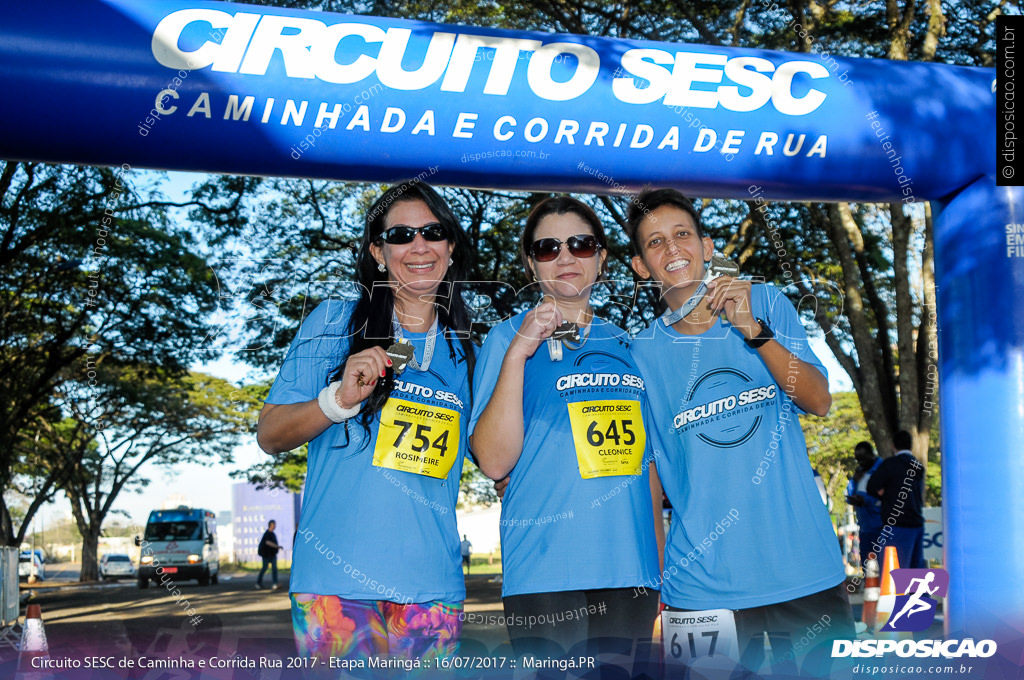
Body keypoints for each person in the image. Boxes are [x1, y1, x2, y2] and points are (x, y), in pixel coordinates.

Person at [625, 188, 855, 672]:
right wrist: (657, 577)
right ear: (640, 265)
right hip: (701, 587)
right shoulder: (638, 354)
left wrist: (755, 331)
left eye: (682, 235)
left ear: (707, 247)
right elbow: (648, 474)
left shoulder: (765, 301)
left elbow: (818, 399)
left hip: (805, 571)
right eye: (655, 242)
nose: (672, 250)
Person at [257, 181, 476, 664]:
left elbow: (494, 453)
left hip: (431, 589)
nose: (418, 246)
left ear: (450, 246)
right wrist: (336, 401)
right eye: (400, 235)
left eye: (432, 232)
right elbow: (270, 434)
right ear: (378, 251)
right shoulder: (334, 322)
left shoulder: (468, 351)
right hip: (336, 586)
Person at [470, 196, 662, 662]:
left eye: (580, 244)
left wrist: (659, 565)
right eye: (547, 248)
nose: (565, 257)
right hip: (544, 569)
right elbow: (494, 461)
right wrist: (519, 353)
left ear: (601, 258)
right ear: (530, 264)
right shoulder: (504, 338)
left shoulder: (628, 343)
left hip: (631, 570)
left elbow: (648, 466)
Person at [867, 430, 926, 569]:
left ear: (894, 446)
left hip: (896, 523)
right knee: (916, 569)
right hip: (916, 522)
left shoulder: (890, 464)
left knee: (895, 571)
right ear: (911, 446)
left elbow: (871, 486)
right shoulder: (918, 466)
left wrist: (884, 493)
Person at [845, 441, 883, 566]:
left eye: (863, 459)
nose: (860, 463)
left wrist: (866, 501)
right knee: (868, 566)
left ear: (871, 455)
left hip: (880, 528)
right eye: (858, 460)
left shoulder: (881, 469)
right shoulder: (860, 472)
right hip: (865, 528)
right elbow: (849, 496)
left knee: (882, 564)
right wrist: (854, 481)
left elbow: (885, 498)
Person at [256, 519, 282, 590]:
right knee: (264, 568)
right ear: (271, 525)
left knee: (274, 569)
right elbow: (268, 542)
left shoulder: (273, 534)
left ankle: (275, 584)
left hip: (272, 554)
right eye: (274, 524)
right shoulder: (267, 534)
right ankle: (258, 583)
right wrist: (277, 546)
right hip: (266, 555)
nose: (275, 526)